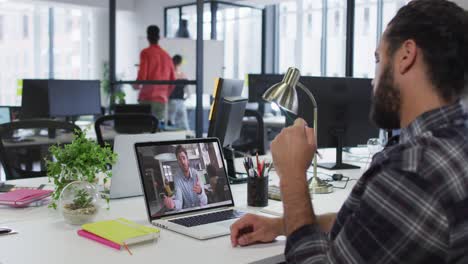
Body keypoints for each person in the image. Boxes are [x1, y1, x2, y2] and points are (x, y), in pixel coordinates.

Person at [230, 0, 468, 262]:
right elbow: (372, 227)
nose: (372, 79)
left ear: (405, 55)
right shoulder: (454, 144)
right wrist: (281, 225)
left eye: (378, 59)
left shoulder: (413, 170)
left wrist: (293, 176)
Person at [134, 25, 175, 123]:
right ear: (159, 37)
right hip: (161, 99)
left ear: (147, 37)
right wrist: (165, 94)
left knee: (144, 129)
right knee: (157, 130)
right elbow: (173, 81)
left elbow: (142, 76)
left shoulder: (146, 53)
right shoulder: (166, 55)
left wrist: (135, 85)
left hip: (146, 98)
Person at [164, 145, 207, 210]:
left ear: (187, 159)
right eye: (179, 159)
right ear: (178, 162)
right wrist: (173, 204)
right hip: (188, 213)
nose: (183, 162)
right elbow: (179, 201)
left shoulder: (196, 174)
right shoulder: (177, 178)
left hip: (200, 210)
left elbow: (205, 202)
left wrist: (200, 192)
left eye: (184, 158)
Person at [168, 55, 189, 130]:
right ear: (180, 63)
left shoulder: (169, 74)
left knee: (170, 124)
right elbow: (188, 92)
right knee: (183, 125)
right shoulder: (183, 75)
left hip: (171, 101)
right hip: (180, 102)